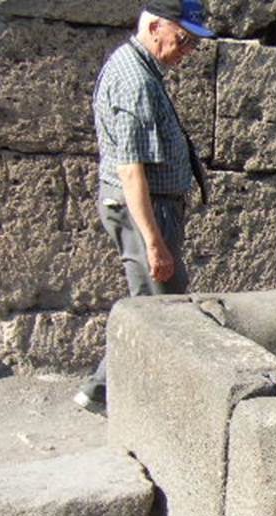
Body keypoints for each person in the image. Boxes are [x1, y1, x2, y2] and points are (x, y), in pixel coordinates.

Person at [74, 0, 215, 413]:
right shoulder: (134, 80)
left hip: (153, 207)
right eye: (184, 39)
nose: (187, 51)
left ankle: (100, 391)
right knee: (162, 311)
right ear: (155, 27)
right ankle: (116, 397)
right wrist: (154, 242)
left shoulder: (141, 69)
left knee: (150, 305)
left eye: (193, 44)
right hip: (146, 209)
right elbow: (132, 170)